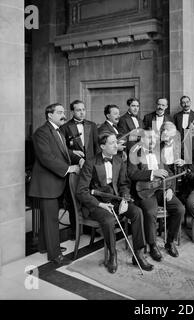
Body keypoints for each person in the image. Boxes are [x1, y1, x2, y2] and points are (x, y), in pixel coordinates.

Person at [77, 132, 153, 273]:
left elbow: (124, 184)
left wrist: (125, 198)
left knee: (137, 212)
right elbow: (81, 191)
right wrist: (100, 204)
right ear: (102, 146)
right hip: (97, 203)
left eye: (115, 142)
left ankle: (139, 254)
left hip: (116, 200)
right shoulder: (90, 163)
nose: (116, 145)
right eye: (112, 143)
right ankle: (113, 254)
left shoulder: (119, 160)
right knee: (109, 219)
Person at [28, 103, 81, 266]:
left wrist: (75, 155)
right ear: (49, 115)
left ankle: (44, 246)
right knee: (51, 220)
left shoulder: (58, 131)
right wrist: (69, 168)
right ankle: (55, 254)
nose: (63, 115)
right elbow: (47, 158)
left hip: (54, 183)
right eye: (59, 112)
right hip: (46, 184)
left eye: (63, 112)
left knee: (48, 218)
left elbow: (61, 151)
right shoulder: (41, 133)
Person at [128, 129, 185, 260]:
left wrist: (170, 188)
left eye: (154, 138)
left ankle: (169, 242)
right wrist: (153, 173)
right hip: (145, 191)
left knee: (180, 209)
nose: (153, 141)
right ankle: (152, 244)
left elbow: (169, 173)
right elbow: (132, 174)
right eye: (149, 138)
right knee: (150, 212)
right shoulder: (134, 153)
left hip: (161, 189)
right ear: (142, 139)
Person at [60, 100, 100, 239]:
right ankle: (75, 229)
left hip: (90, 168)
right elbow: (64, 150)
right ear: (72, 111)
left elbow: (96, 147)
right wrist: (77, 160)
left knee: (88, 196)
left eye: (83, 109)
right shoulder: (65, 127)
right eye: (78, 110)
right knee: (73, 198)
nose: (82, 112)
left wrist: (96, 165)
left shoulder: (92, 125)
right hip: (76, 168)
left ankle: (88, 227)